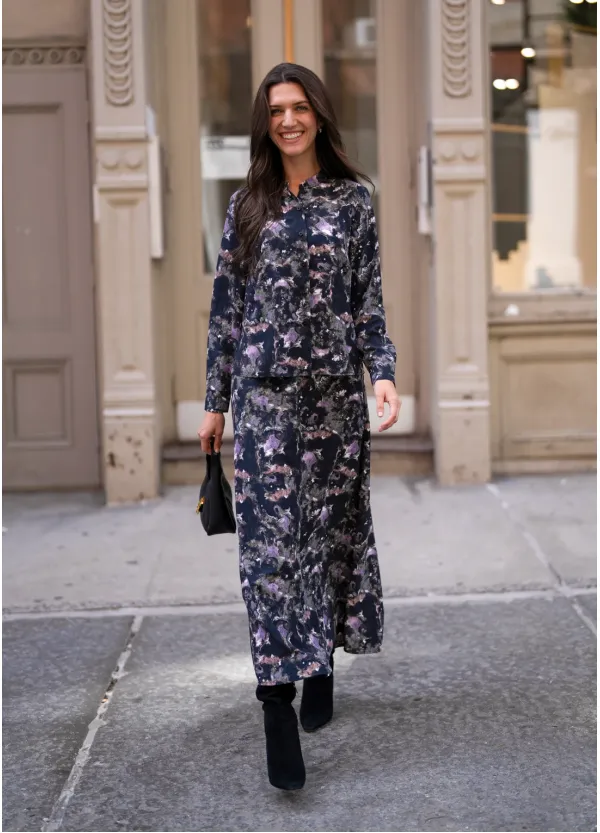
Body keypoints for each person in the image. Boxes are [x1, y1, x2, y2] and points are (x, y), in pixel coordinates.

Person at [198, 62, 400, 791]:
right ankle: (275, 705)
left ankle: (321, 665)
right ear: (266, 120)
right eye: (277, 109)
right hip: (264, 407)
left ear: (319, 115)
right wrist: (215, 401)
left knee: (328, 542)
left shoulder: (353, 200)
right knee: (270, 556)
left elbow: (369, 301)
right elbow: (226, 309)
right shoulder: (246, 204)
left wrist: (383, 373)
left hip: (335, 406)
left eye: (300, 107)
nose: (288, 120)